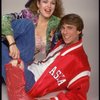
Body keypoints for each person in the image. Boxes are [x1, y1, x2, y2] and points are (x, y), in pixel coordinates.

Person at [5, 13, 91, 100]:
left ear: (79, 31)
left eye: (70, 28)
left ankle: (16, 87)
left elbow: (79, 95)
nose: (65, 32)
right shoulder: (61, 43)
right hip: (29, 66)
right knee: (27, 24)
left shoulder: (80, 61)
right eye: (63, 28)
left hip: (33, 82)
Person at [2, 0, 64, 84]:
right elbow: (4, 19)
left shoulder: (57, 24)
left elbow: (70, 38)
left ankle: (14, 75)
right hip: (9, 50)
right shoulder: (28, 15)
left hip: (24, 61)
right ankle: (13, 76)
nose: (49, 6)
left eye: (52, 3)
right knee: (27, 24)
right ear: (38, 4)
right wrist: (12, 44)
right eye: (45, 2)